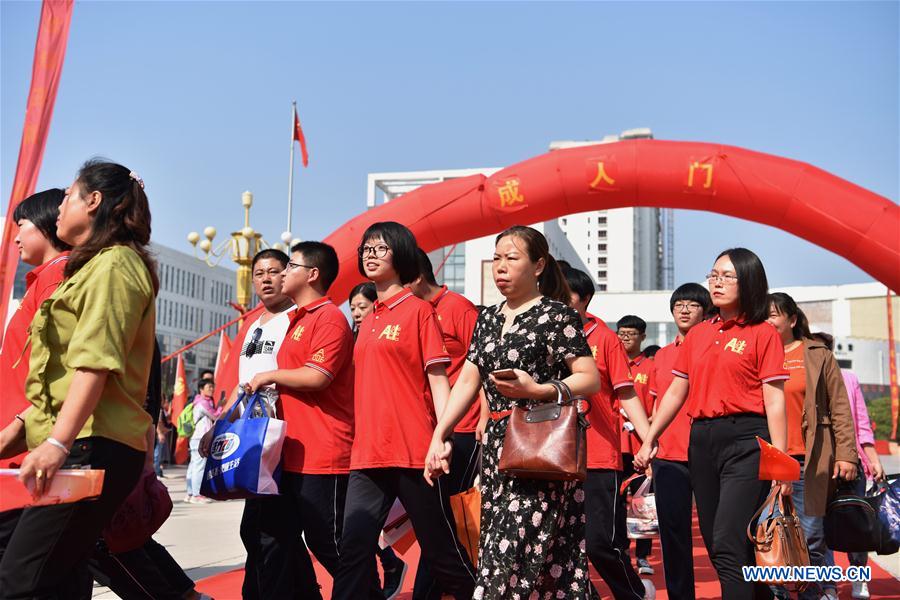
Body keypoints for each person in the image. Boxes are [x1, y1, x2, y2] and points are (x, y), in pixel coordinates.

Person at [0, 160, 158, 597]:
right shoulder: (91, 268)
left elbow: (95, 364)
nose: (62, 204)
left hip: (91, 446)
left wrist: (57, 443)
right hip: (79, 441)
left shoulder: (115, 265)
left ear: (93, 201)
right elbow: (60, 381)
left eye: (68, 196)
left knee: (18, 580)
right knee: (60, 580)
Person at [425, 225, 601, 599]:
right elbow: (468, 381)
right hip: (497, 453)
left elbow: (590, 378)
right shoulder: (486, 318)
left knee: (510, 555)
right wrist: (440, 434)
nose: (501, 267)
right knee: (520, 552)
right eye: (498, 258)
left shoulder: (557, 316)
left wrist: (540, 390)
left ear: (538, 266)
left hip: (542, 451)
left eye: (512, 258)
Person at [635, 247, 791, 600]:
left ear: (748, 281)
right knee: (719, 540)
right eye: (714, 275)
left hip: (747, 440)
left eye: (726, 276)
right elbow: (676, 391)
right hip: (702, 441)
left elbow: (775, 398)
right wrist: (650, 438)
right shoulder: (700, 334)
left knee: (726, 540)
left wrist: (780, 462)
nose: (716, 282)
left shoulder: (762, 333)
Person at [332, 222, 476, 600]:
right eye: (366, 248)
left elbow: (438, 380)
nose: (370, 254)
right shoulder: (368, 319)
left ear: (402, 255)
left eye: (380, 248)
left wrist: (441, 437)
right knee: (353, 551)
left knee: (442, 553)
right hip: (367, 455)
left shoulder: (418, 312)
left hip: (413, 452)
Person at [242, 241, 355, 597]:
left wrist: (270, 376)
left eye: (289, 267)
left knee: (328, 542)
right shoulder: (296, 321)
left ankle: (366, 590)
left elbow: (318, 375)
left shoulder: (330, 318)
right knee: (275, 533)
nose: (281, 273)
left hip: (324, 451)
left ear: (312, 274)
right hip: (291, 450)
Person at [199, 248, 297, 600]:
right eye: (259, 273)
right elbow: (243, 386)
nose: (266, 279)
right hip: (254, 438)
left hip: (284, 436)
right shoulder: (253, 325)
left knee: (268, 528)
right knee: (260, 528)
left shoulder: (297, 319)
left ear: (289, 274)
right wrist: (218, 426)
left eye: (274, 271)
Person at [563, 266, 654, 599]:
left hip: (598, 454)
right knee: (560, 547)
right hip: (551, 456)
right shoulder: (543, 334)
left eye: (566, 295)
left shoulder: (604, 338)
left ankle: (632, 593)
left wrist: (647, 440)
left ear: (584, 300)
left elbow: (626, 393)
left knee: (600, 543)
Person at [766, 294, 858, 600]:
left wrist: (846, 455)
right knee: (770, 533)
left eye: (774, 315)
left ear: (792, 320)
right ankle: (776, 591)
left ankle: (814, 592)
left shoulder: (817, 354)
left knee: (812, 535)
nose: (768, 320)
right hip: (766, 459)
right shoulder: (756, 353)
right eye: (763, 315)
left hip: (809, 457)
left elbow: (840, 408)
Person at [410, 248, 486, 600]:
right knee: (433, 518)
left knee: (450, 516)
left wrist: (485, 415)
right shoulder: (411, 313)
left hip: (466, 427)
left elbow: (482, 364)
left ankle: (466, 586)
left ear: (417, 276)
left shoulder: (458, 307)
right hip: (429, 430)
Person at [0, 189, 71, 564]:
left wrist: (15, 428)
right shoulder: (42, 279)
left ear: (47, 225)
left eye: (22, 226)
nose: (15, 237)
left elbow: (61, 369)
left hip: (28, 450)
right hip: (21, 446)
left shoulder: (59, 277)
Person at [646, 283, 712, 600]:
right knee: (673, 535)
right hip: (669, 456)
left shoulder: (715, 348)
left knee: (718, 535)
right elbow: (659, 404)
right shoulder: (662, 355)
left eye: (692, 304)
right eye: (679, 304)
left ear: (706, 310)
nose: (684, 309)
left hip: (708, 453)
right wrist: (651, 443)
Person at [348, 281, 410, 598]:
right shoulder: (353, 339)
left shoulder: (400, 328)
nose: (357, 313)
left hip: (394, 442)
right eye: (353, 308)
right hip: (357, 439)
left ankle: (391, 562)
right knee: (351, 530)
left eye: (362, 306)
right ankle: (386, 564)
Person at [812, 333, 885, 600]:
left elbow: (861, 424)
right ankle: (828, 585)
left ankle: (858, 578)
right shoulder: (801, 380)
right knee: (818, 530)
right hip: (816, 467)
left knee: (856, 524)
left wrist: (873, 459)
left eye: (824, 348)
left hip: (851, 464)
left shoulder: (849, 378)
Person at [615, 315, 654, 576]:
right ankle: (619, 551)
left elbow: (658, 406)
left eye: (631, 333)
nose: (625, 337)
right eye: (621, 333)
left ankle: (643, 556)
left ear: (642, 337)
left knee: (642, 503)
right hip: (615, 445)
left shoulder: (651, 367)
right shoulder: (610, 362)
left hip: (641, 445)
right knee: (615, 503)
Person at [185, 380, 220, 504]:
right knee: (199, 466)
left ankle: (190, 493)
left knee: (194, 465)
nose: (212, 389)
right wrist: (221, 405)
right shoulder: (203, 403)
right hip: (200, 437)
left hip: (195, 437)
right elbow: (216, 416)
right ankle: (197, 495)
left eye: (212, 387)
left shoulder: (198, 401)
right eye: (209, 387)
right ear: (201, 389)